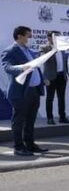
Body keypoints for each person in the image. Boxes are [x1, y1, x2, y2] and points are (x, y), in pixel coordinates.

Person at [1, 26, 47, 156]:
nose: (30, 38)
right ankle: (18, 147)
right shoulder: (10, 51)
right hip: (20, 91)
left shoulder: (30, 51)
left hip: (34, 91)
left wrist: (42, 79)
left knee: (31, 120)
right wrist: (21, 68)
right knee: (19, 120)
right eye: (28, 36)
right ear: (20, 36)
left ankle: (30, 144)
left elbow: (35, 68)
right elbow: (7, 67)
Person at [41, 30, 69, 125]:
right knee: (50, 98)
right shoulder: (44, 47)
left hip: (62, 76)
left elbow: (65, 62)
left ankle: (62, 117)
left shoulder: (62, 48)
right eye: (56, 37)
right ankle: (50, 118)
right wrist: (53, 49)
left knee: (61, 98)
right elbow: (43, 58)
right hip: (50, 77)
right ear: (49, 38)